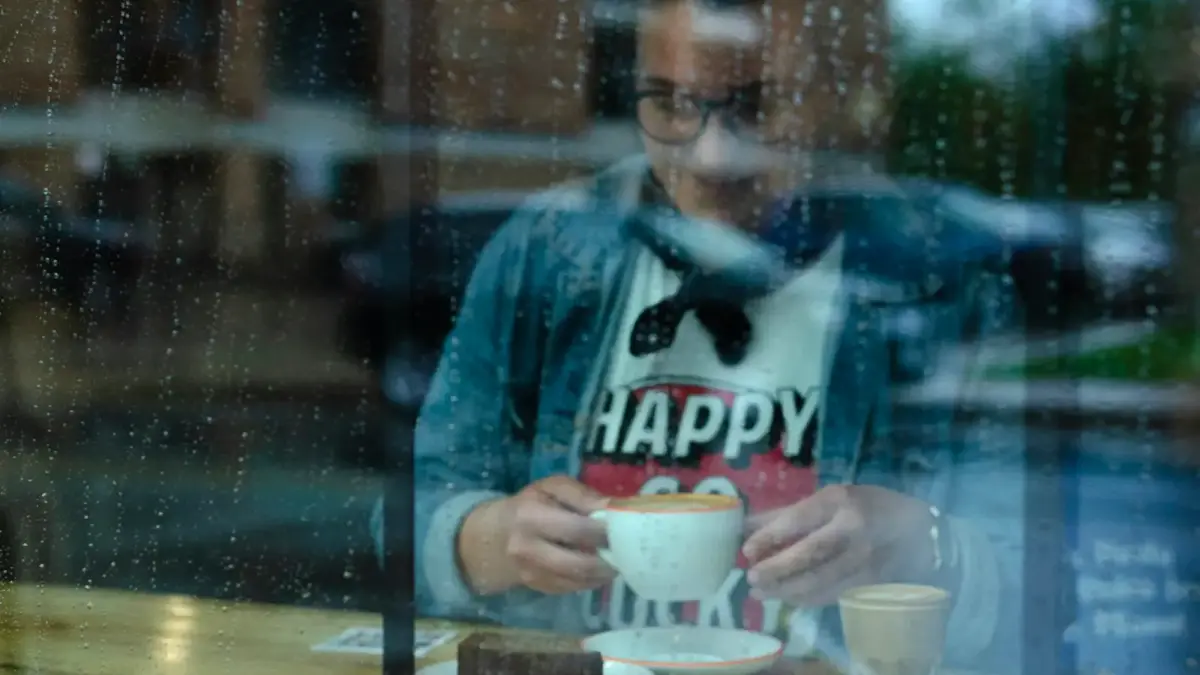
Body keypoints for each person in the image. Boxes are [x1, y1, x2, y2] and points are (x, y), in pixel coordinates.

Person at [378, 0, 1027, 671]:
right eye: (671, 104)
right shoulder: (543, 255)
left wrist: (923, 544)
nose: (713, 157)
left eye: (761, 106)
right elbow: (395, 527)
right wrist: (488, 538)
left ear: (832, 106)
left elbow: (1037, 594)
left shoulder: (932, 282)